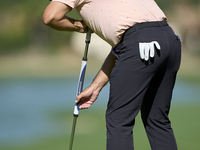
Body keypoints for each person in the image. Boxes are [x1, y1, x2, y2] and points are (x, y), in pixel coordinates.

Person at [43, 0, 181, 150]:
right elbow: (124, 46)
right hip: (169, 39)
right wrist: (96, 86)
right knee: (157, 119)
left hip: (141, 43)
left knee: (119, 121)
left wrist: (79, 26)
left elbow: (51, 16)